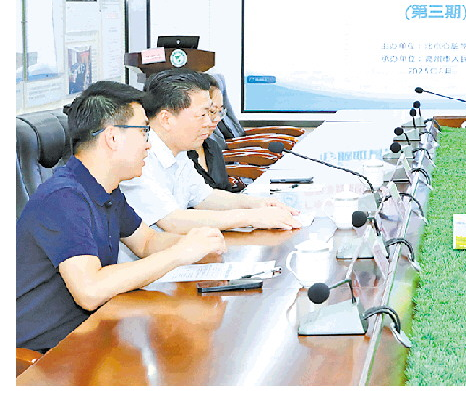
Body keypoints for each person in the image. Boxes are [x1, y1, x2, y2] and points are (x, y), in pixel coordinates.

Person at [17, 81, 227, 352]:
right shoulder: (63, 198)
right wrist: (180, 253)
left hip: (93, 333)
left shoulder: (105, 189)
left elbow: (147, 242)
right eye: (143, 132)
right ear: (113, 138)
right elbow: (90, 290)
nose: (149, 145)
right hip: (44, 357)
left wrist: (197, 242)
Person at [120, 68, 301, 233]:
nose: (209, 123)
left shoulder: (178, 151)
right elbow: (172, 220)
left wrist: (257, 204)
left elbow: (205, 197)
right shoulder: (137, 158)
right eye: (202, 114)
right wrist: (251, 217)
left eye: (211, 113)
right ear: (166, 119)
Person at [187, 75, 236, 191]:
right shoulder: (180, 152)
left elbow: (224, 190)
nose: (218, 119)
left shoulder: (213, 146)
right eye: (212, 111)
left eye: (220, 112)